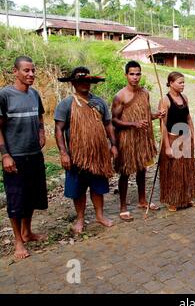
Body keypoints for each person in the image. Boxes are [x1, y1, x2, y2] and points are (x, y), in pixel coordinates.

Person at [55, 66, 117, 234]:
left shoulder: (100, 102)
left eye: (87, 81)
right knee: (78, 189)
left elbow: (108, 124)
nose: (84, 84)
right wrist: (63, 153)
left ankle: (100, 216)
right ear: (74, 83)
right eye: (80, 81)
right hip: (77, 156)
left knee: (98, 187)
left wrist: (113, 145)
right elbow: (59, 129)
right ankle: (80, 219)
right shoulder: (66, 104)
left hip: (99, 154)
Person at [0, 56, 48, 259]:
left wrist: (42, 131)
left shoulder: (34, 94)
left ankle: (27, 232)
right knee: (16, 199)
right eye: (26, 71)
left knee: (31, 196)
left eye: (33, 70)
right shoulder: (4, 95)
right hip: (15, 157)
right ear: (15, 72)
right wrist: (5, 155)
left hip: (34, 155)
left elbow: (39, 116)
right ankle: (18, 242)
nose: (31, 74)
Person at [111, 60, 165, 221]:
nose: (135, 77)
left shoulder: (145, 93)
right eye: (132, 74)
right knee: (125, 172)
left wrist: (156, 115)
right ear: (126, 75)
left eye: (138, 74)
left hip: (142, 138)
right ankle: (123, 207)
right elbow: (114, 120)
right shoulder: (120, 96)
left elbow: (145, 115)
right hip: (127, 138)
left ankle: (142, 201)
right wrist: (133, 124)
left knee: (142, 169)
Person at [158, 72, 195, 211]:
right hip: (172, 139)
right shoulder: (165, 100)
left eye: (184, 82)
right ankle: (172, 200)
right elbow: (163, 124)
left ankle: (185, 198)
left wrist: (193, 136)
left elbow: (188, 118)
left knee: (185, 170)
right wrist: (167, 147)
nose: (183, 85)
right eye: (180, 82)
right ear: (171, 83)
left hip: (185, 138)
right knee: (173, 172)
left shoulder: (184, 98)